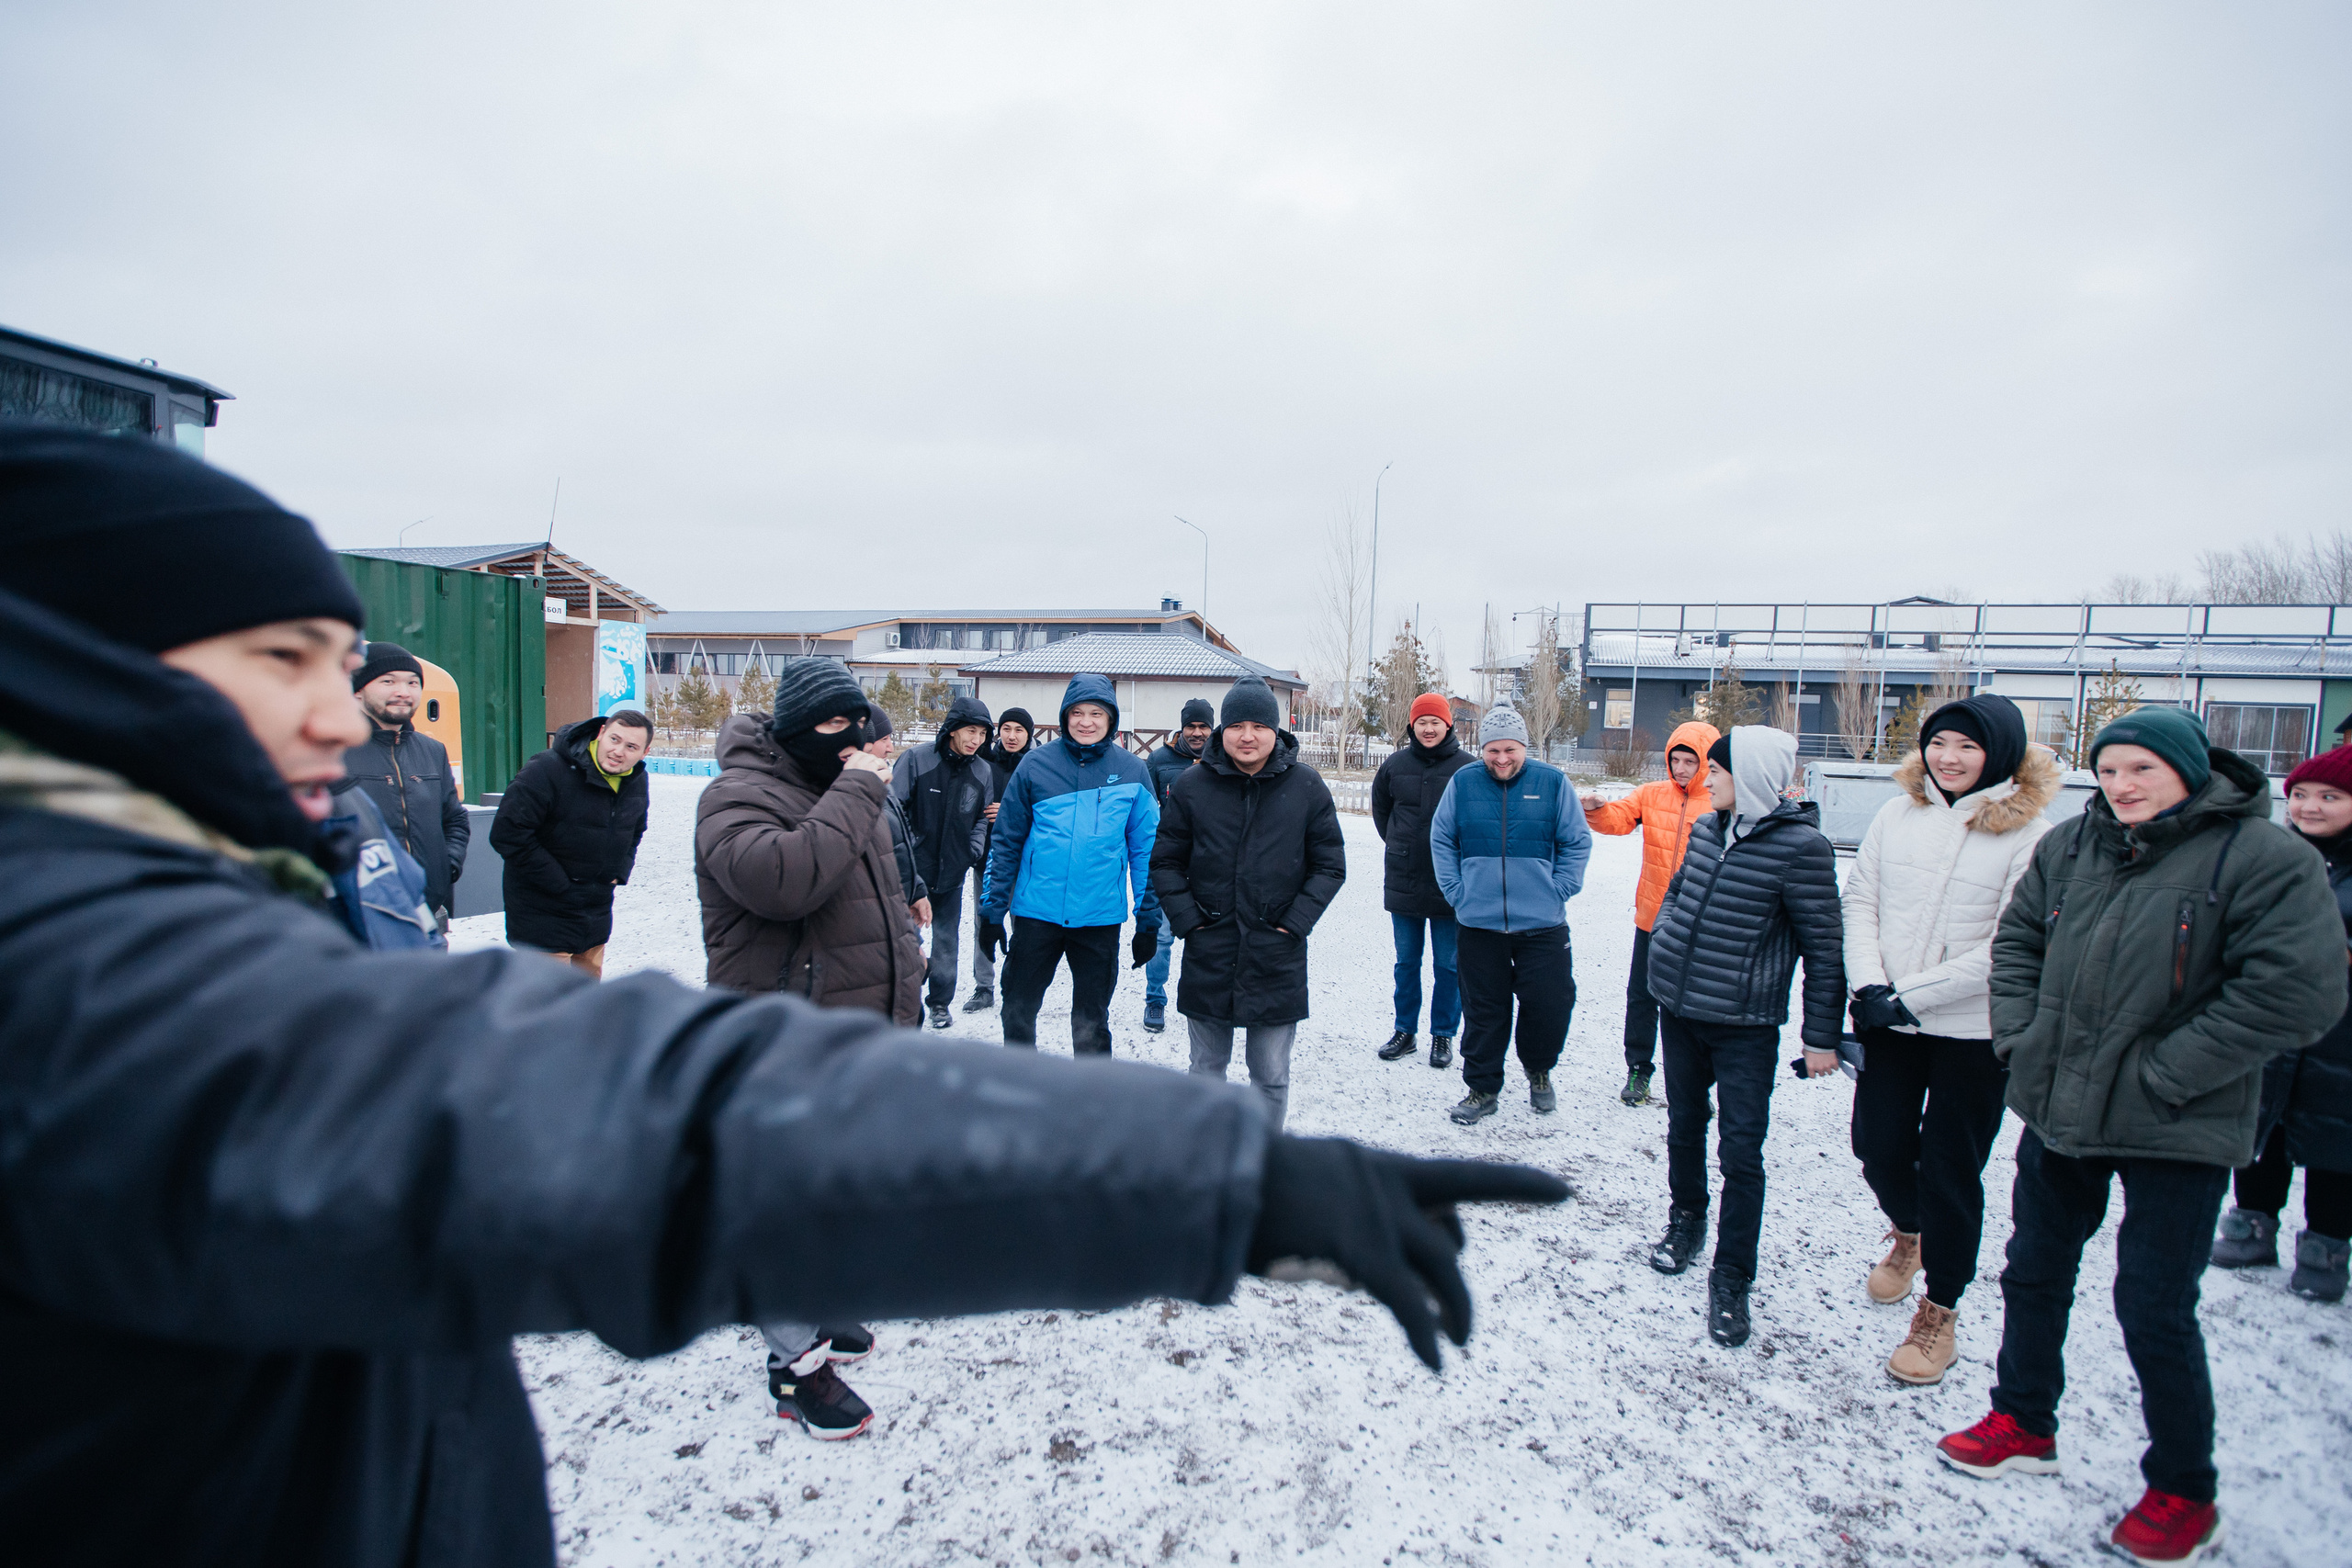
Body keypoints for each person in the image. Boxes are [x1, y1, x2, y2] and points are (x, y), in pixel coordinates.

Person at [0, 425, 1566, 1562]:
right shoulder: (77, 973)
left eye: (343, 661)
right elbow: (647, 1114)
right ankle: (794, 1349)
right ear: (94, 654)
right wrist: (1208, 1180)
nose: (350, 711)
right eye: (286, 657)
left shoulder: (195, 880)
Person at [1936, 707, 2340, 1564]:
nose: (2121, 785)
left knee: (2153, 1302)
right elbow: (2018, 943)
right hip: (2061, 1103)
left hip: (2176, 1120)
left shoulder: (2262, 857)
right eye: (2110, 769)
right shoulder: (2074, 844)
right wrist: (2023, 1038)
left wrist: (2166, 1071)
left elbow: (2296, 992)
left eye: (2141, 769)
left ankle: (2184, 1488)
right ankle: (2024, 1419)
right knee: (2034, 1271)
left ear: (2188, 769)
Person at [1840, 694, 2055, 1384]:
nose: (1948, 757)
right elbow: (1861, 901)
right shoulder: (1897, 814)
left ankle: (1940, 1310)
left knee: (1951, 1169)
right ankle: (1910, 1232)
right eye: (1938, 743)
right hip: (1889, 1021)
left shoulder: (2031, 835)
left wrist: (1908, 995)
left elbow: (2009, 946)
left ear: (2001, 752)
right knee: (1878, 1147)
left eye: (1967, 745)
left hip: (1973, 1032)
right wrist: (1872, 987)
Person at [1642, 725, 1844, 1348]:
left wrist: (1820, 1036)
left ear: (1750, 777)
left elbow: (1824, 949)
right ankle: (1686, 1218)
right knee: (1684, 1124)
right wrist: (1665, 946)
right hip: (1680, 1009)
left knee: (1741, 1151)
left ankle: (1732, 1274)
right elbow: (1678, 893)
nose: (1707, 780)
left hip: (1744, 1025)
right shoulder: (1708, 829)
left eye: (1718, 771)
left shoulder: (1803, 849)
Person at [1151, 678, 1346, 1130]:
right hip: (1211, 949)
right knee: (1205, 1072)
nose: (1247, 736)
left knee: (1271, 1076)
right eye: (1237, 725)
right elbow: (1164, 861)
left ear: (1276, 731)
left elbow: (1330, 865)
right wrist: (1189, 921)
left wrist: (1293, 923)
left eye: (1259, 726)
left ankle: (1264, 1157)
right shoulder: (1193, 785)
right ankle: (1207, 1158)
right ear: (1222, 730)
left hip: (1276, 954)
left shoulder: (1306, 786)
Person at [2209, 743, 2352, 1303]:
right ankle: (2251, 1222)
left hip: (2342, 1036)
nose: (2310, 807)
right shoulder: (2273, 856)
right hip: (2269, 1021)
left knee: (2336, 1138)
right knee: (2261, 1125)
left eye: (2330, 797)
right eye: (2299, 795)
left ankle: (2326, 1245)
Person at [980, 674, 1162, 1055]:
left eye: (1096, 713)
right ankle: (1018, 1082)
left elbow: (1147, 851)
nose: (1086, 722)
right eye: (1077, 712)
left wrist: (1148, 920)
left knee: (1091, 1023)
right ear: (1065, 716)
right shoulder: (1035, 765)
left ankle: (1090, 1092)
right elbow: (1007, 841)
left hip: (1098, 919)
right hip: (1036, 914)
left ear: (1111, 719)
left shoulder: (1133, 771)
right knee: (1017, 1010)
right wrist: (993, 911)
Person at [1429, 704, 1591, 1126]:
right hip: (1479, 923)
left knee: (1550, 1004)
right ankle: (1482, 1089)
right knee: (1484, 1012)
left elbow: (1576, 841)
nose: (1502, 759)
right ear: (1482, 749)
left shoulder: (1552, 782)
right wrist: (1457, 892)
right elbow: (1442, 838)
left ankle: (1539, 1069)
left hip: (1542, 925)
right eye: (1493, 751)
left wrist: (1560, 888)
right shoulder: (1464, 782)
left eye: (1510, 750)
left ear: (1524, 747)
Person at [1581, 719, 1719, 1106]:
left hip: (1703, 924)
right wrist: (1598, 809)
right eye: (1675, 760)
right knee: (1642, 997)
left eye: (1690, 761)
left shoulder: (1721, 801)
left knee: (1695, 1004)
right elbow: (1619, 819)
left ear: (1706, 763)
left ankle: (1696, 1084)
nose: (1680, 768)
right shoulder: (1652, 794)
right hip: (1654, 918)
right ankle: (1639, 1069)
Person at [488, 707, 651, 976]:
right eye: (614, 739)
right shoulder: (546, 769)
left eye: (631, 747)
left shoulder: (635, 779)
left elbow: (636, 829)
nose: (618, 751)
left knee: (585, 998)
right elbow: (508, 834)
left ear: (645, 753)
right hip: (542, 915)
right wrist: (560, 884)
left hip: (595, 915)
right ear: (601, 733)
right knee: (547, 999)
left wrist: (619, 871)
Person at [1372, 693, 1476, 1068]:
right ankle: (1405, 1031)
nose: (1428, 729)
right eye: (1421, 722)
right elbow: (1382, 811)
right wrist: (1400, 844)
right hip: (1405, 877)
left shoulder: (1468, 769)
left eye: (1435, 722)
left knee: (1448, 965)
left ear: (1448, 724)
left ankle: (1443, 1035)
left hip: (1451, 883)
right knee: (1406, 962)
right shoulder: (1394, 766)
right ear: (1411, 726)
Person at [342, 639, 470, 925]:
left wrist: (446, 866)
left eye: (413, 683)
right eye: (388, 681)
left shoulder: (432, 751)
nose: (403, 692)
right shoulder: (334, 751)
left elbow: (454, 819)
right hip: (360, 918)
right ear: (358, 690)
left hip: (428, 912)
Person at [895, 694, 995, 1027]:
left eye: (982, 734)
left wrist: (972, 851)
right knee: (904, 941)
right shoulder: (916, 759)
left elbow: (981, 817)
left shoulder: (982, 770)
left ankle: (940, 1003)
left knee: (947, 943)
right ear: (953, 729)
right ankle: (904, 1004)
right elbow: (893, 809)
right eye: (970, 731)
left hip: (952, 872)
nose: (976, 740)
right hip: (911, 874)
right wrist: (908, 849)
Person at [1140, 698, 1215, 1032]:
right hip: (1169, 863)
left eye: (1203, 727)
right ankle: (1155, 999)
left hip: (1210, 865)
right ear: (1182, 727)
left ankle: (1204, 1004)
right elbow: (1143, 810)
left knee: (1207, 939)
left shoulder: (1223, 759)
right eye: (1191, 726)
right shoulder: (1159, 760)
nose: (1197, 733)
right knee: (1161, 938)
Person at [962, 707, 1035, 1013]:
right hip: (987, 860)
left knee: (1024, 926)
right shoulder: (984, 765)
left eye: (1019, 730)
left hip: (1025, 860)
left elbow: (1047, 811)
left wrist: (1009, 810)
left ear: (1029, 734)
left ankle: (1018, 985)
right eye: (1007, 729)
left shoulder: (1037, 767)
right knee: (984, 921)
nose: (1012, 736)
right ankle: (984, 986)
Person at [863, 702, 933, 930]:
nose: (890, 748)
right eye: (884, 739)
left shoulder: (883, 781)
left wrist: (916, 890)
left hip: (896, 907)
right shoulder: (849, 792)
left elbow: (897, 846)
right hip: (875, 915)